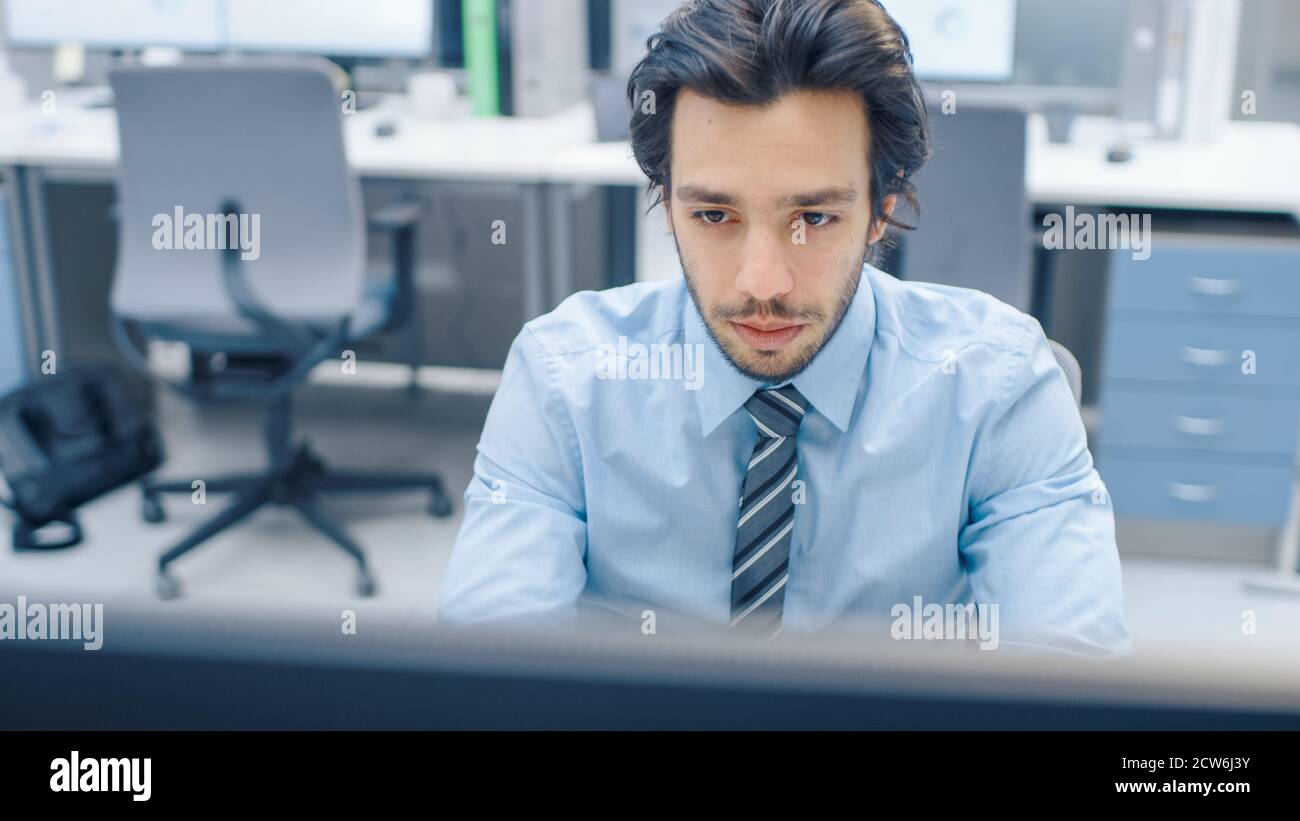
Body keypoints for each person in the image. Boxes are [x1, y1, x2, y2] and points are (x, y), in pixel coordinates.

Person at [438, 0, 1129, 657]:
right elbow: (484, 674)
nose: (761, 283)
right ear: (665, 201)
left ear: (883, 209)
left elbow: (1074, 676)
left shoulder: (998, 387)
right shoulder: (564, 380)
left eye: (815, 219)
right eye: (714, 215)